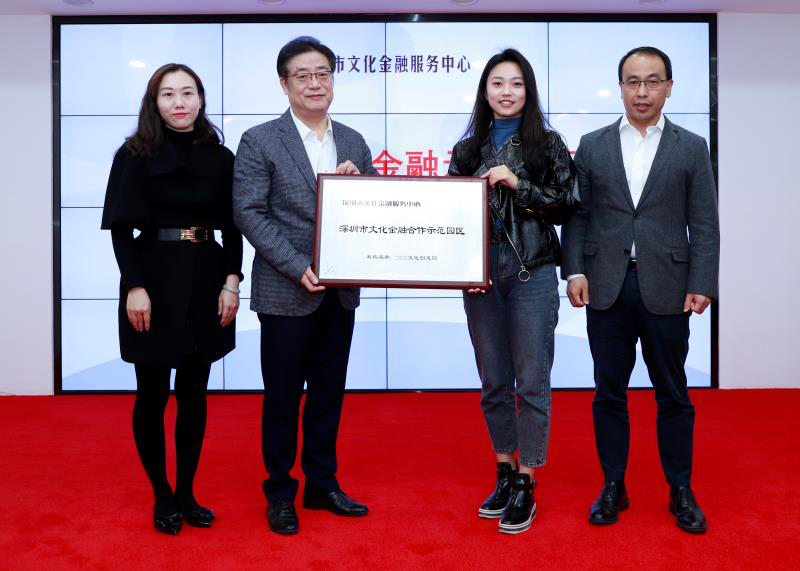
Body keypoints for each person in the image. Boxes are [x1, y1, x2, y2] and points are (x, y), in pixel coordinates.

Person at [561, 46, 719, 534]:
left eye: (653, 81)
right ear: (620, 87)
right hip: (605, 286)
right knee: (608, 391)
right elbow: (578, 216)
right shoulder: (593, 145)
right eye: (633, 81)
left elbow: (704, 222)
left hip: (668, 286)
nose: (643, 91)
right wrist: (575, 271)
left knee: (673, 393)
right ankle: (613, 485)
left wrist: (702, 282)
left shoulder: (691, 146)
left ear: (669, 87)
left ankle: (680, 489)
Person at [232, 36, 376, 536]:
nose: (315, 83)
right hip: (286, 290)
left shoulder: (353, 140)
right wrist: (297, 266)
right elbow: (249, 212)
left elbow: (375, 211)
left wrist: (361, 184)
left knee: (328, 394)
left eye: (323, 74)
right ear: (284, 83)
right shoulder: (260, 140)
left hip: (341, 291)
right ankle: (279, 491)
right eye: (303, 75)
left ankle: (321, 483)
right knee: (283, 396)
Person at [101, 63, 243, 535]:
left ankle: (186, 493)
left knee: (194, 392)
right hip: (153, 278)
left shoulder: (220, 157)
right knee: (153, 392)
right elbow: (121, 230)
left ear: (201, 99)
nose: (179, 103)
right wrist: (134, 286)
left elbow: (234, 228)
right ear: (154, 102)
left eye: (187, 93)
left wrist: (232, 281)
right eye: (168, 94)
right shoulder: (134, 154)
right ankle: (162, 494)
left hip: (207, 277)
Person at [448, 48, 579, 534]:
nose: (507, 92)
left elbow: (568, 202)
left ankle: (527, 481)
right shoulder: (467, 150)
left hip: (532, 271)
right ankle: (504, 471)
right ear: (485, 92)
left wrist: (517, 184)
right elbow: (448, 215)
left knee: (532, 378)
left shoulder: (547, 144)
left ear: (529, 91)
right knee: (494, 379)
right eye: (498, 83)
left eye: (517, 83)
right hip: (479, 272)